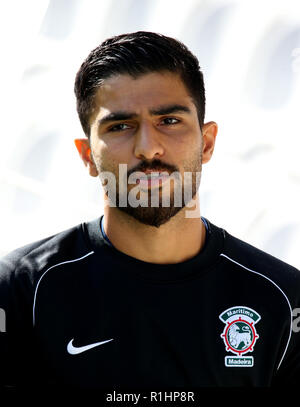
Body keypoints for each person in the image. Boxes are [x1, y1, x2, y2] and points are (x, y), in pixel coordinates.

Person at [0, 31, 299, 390]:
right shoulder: (19, 289)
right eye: (121, 126)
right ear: (87, 156)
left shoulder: (283, 299)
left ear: (206, 143)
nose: (148, 148)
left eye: (169, 121)